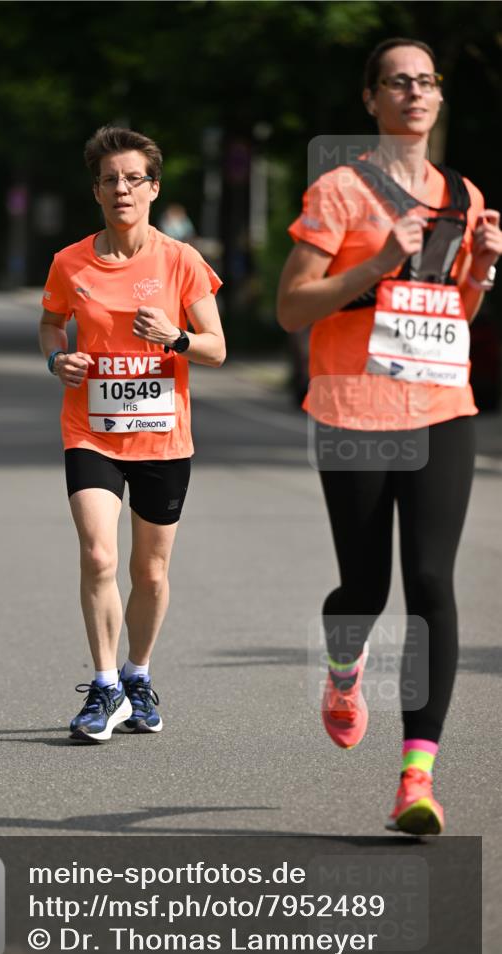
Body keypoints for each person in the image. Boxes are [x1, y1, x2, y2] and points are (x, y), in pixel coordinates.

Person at [277, 38, 502, 834]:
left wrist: (476, 271)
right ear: (370, 99)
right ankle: (343, 668)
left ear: (439, 99)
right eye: (397, 82)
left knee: (432, 584)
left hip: (441, 406)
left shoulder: (461, 195)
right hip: (351, 410)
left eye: (426, 81)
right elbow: (292, 308)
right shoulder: (338, 192)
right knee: (364, 588)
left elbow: (451, 319)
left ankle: (416, 778)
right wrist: (373, 264)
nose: (414, 92)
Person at [39, 126, 225, 743]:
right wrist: (55, 358)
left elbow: (217, 348)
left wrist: (174, 337)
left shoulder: (181, 261)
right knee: (97, 553)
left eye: (133, 178)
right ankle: (105, 686)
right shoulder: (70, 262)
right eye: (110, 180)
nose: (122, 188)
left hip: (163, 439)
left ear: (153, 188)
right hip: (90, 430)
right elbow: (49, 324)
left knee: (149, 572)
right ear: (96, 191)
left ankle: (137, 674)